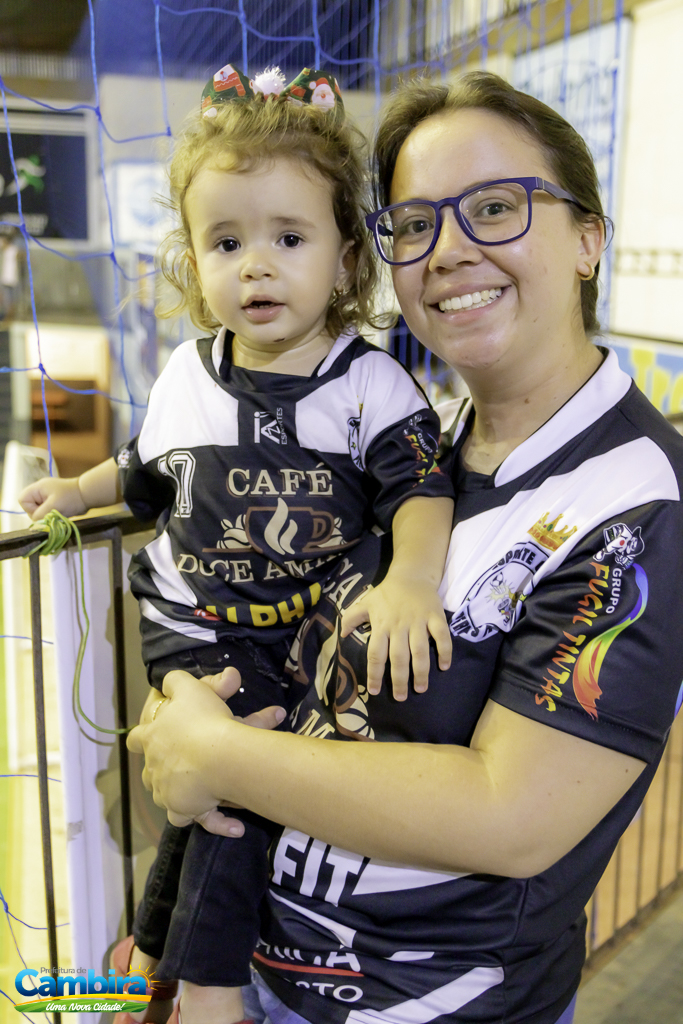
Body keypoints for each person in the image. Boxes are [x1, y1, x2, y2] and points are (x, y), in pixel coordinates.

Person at [127, 70, 683, 1024]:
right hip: (258, 960)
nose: (450, 250)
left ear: (588, 239)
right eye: (417, 224)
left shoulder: (636, 498)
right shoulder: (419, 442)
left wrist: (213, 754)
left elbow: (513, 816)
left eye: (496, 207)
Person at [19, 65, 455, 1024]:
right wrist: (75, 493)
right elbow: (143, 473)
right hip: (193, 626)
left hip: (299, 639)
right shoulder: (187, 374)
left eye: (288, 238)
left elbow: (422, 489)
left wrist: (414, 581)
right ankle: (212, 996)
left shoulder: (369, 386)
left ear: (345, 259)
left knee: (209, 796)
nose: (255, 265)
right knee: (235, 792)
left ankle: (149, 963)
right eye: (226, 242)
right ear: (193, 262)